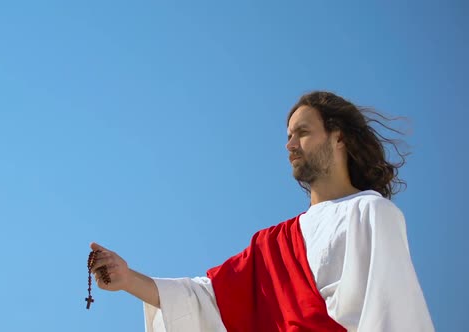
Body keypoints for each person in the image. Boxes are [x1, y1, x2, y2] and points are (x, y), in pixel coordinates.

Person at [89, 91, 434, 331]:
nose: (290, 145)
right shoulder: (272, 243)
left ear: (339, 138)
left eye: (303, 132)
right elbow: (207, 298)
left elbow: (392, 316)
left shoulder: (370, 211)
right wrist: (129, 279)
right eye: (288, 136)